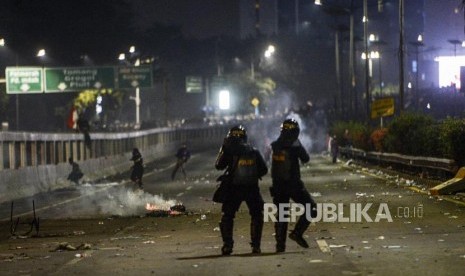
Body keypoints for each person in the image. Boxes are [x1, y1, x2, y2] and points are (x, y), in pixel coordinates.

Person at [215, 125, 268, 255]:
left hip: (234, 188)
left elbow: (218, 165)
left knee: (227, 216)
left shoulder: (229, 151)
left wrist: (223, 149)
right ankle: (256, 246)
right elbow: (264, 169)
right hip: (251, 188)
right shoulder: (253, 151)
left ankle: (228, 245)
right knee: (256, 215)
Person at [270, 118, 317, 253]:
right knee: (312, 208)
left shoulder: (276, 145)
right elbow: (306, 158)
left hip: (278, 186)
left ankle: (280, 245)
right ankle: (297, 233)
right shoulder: (295, 145)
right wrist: (298, 145)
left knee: (282, 214)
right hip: (294, 185)